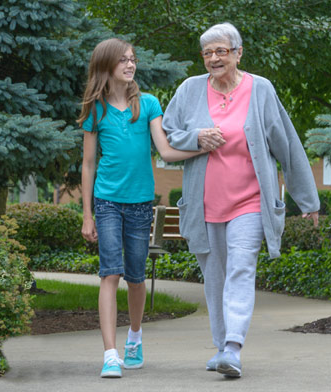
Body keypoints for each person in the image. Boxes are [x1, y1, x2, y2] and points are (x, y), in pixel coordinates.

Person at [162, 22, 320, 379]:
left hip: (249, 201)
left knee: (241, 268)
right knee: (214, 277)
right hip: (204, 205)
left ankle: (233, 346)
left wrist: (307, 199)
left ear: (238, 53)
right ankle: (222, 347)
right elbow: (168, 133)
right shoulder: (189, 90)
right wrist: (197, 137)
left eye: (221, 51)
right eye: (208, 53)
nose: (214, 58)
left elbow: (287, 144)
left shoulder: (260, 89)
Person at [78, 38, 208, 379]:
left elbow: (165, 152)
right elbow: (88, 163)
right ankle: (110, 354)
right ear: (106, 66)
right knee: (110, 273)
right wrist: (87, 214)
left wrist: (200, 147)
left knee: (136, 277)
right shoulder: (96, 110)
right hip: (106, 202)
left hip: (139, 205)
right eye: (122, 60)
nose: (130, 64)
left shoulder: (148, 104)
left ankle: (134, 337)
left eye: (132, 59)